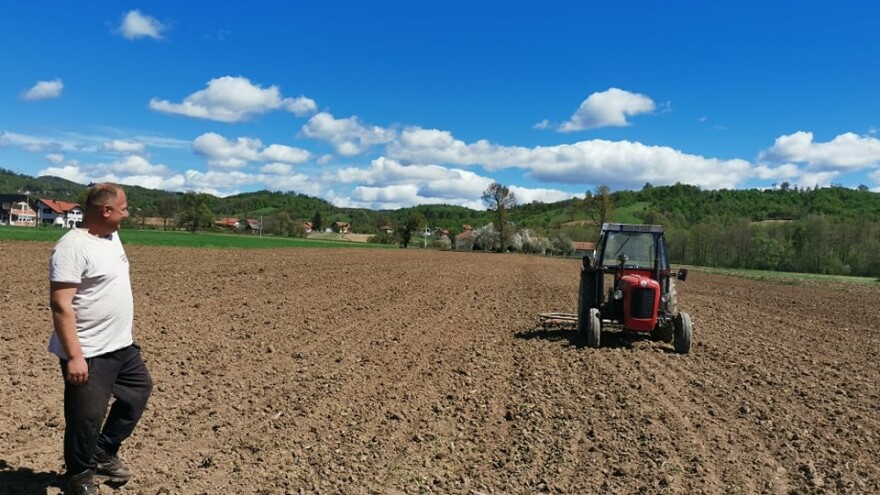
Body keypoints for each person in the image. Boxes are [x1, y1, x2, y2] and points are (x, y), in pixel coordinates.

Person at [48, 183, 153, 495]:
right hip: (89, 349)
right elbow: (60, 304)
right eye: (123, 208)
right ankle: (79, 476)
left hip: (121, 345)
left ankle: (103, 450)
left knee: (137, 392)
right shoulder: (71, 248)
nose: (127, 214)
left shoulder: (111, 237)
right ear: (106, 210)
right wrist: (75, 356)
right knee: (86, 418)